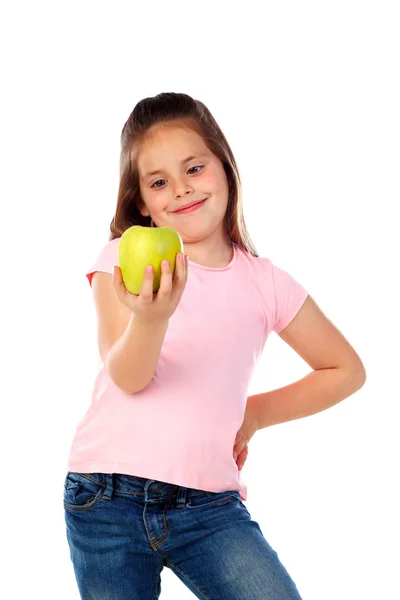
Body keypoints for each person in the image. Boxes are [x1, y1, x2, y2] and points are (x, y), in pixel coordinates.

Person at [63, 92, 366, 600]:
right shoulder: (121, 259)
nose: (181, 190)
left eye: (194, 168)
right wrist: (151, 318)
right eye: (159, 182)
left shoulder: (268, 283)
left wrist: (252, 415)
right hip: (105, 498)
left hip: (209, 507)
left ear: (224, 167)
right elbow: (129, 377)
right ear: (142, 203)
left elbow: (345, 370)